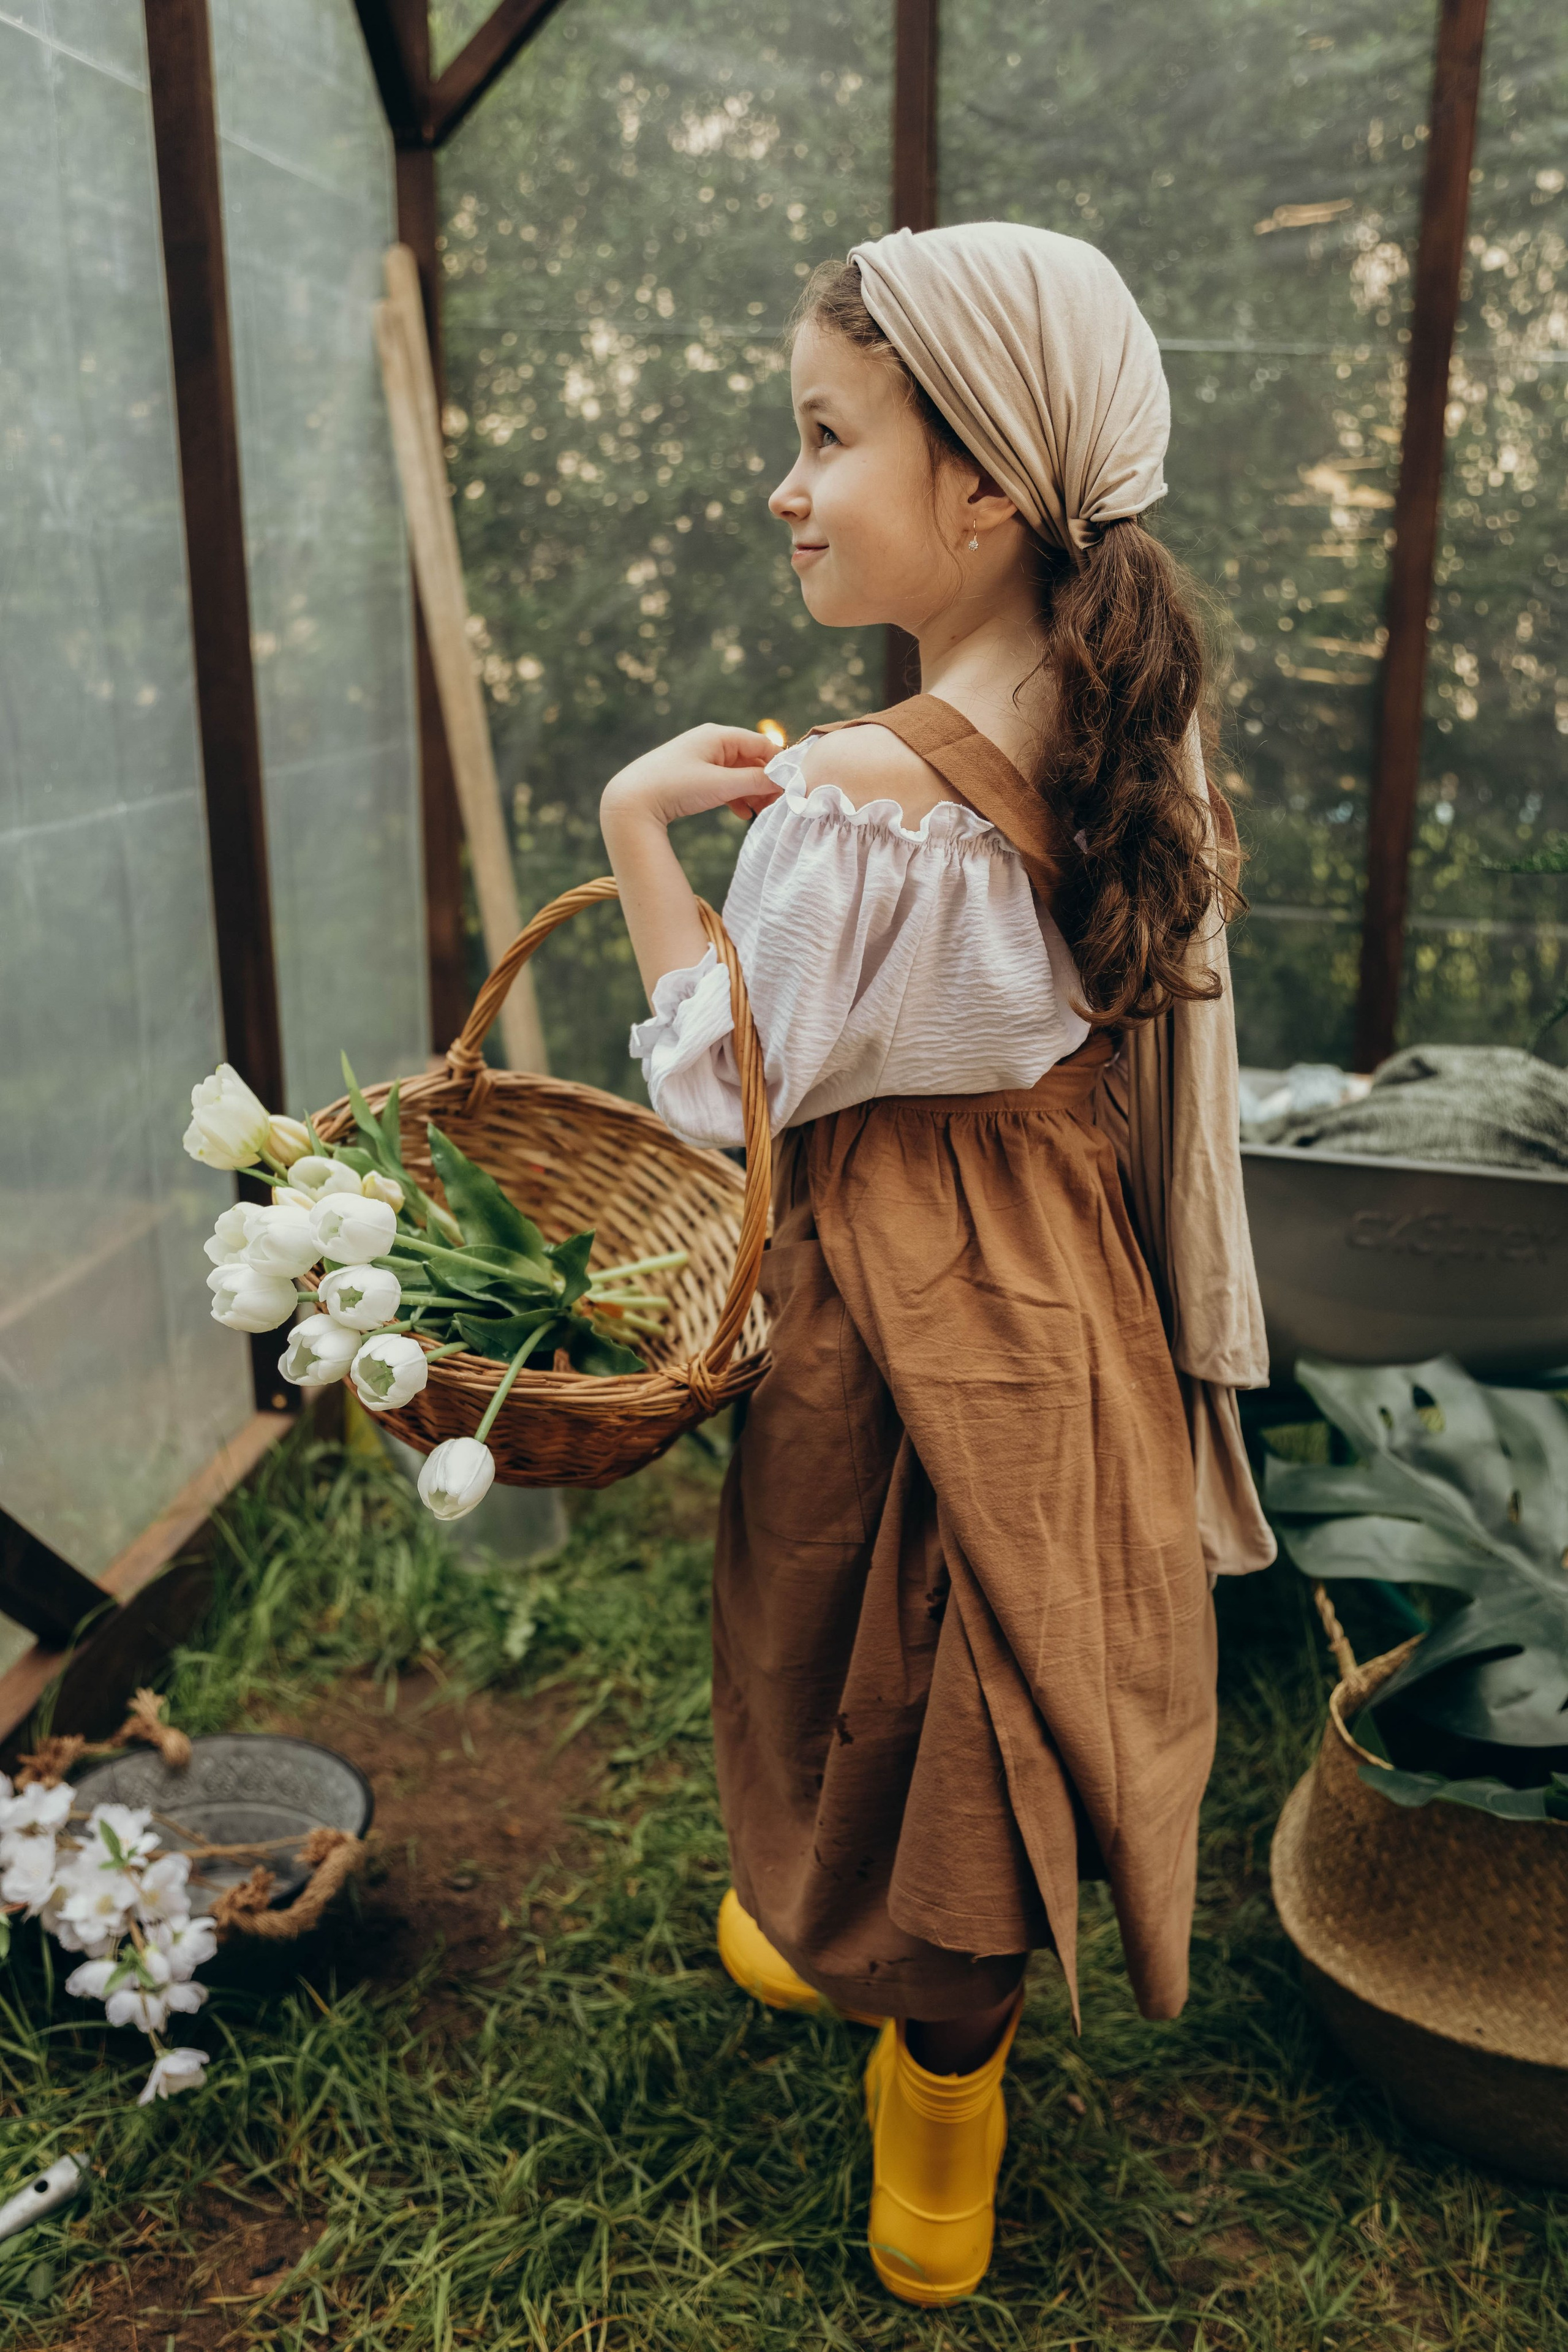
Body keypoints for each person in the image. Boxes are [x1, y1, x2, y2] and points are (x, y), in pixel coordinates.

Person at [598, 221, 1273, 2309]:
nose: (786, 488)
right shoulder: (1119, 721)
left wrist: (638, 830)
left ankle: (918, 2070)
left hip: (885, 1303)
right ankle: (910, 2029)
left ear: (984, 483)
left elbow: (731, 1098)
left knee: (844, 1610)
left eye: (824, 437)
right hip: (1061, 1293)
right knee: (988, 1658)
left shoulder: (861, 807)